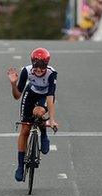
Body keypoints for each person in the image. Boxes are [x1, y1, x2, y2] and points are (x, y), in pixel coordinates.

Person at [7, 47, 59, 182]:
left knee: (39, 112)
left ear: (47, 66)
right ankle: (20, 166)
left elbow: (50, 97)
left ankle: (44, 136)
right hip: (31, 94)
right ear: (32, 64)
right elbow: (17, 96)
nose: (39, 70)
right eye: (36, 67)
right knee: (24, 130)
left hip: (45, 97)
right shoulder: (27, 71)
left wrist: (52, 120)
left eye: (42, 67)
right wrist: (13, 84)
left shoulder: (51, 74)